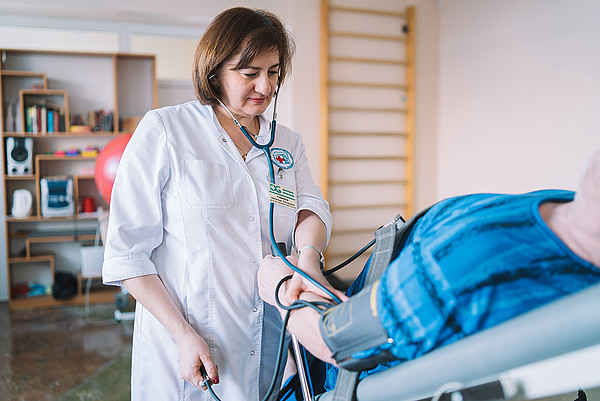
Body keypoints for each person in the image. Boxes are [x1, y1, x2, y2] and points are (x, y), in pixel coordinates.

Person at [102, 7, 344, 401]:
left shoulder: (287, 143)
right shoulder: (166, 130)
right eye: (250, 73)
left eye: (274, 72)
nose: (265, 86)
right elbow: (128, 254)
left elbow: (310, 208)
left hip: (270, 337)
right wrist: (182, 334)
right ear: (215, 72)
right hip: (187, 342)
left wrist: (309, 260)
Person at [258, 150, 600, 389]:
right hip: (371, 304)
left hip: (329, 371)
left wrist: (277, 284)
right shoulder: (567, 205)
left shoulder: (460, 272)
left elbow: (333, 342)